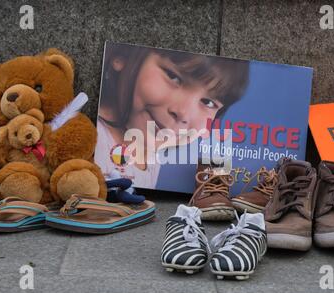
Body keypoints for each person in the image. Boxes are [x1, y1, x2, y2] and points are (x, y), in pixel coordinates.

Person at [95, 42, 249, 189]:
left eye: (208, 102)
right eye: (173, 76)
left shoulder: (152, 157)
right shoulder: (94, 139)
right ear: (123, 56)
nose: (183, 113)